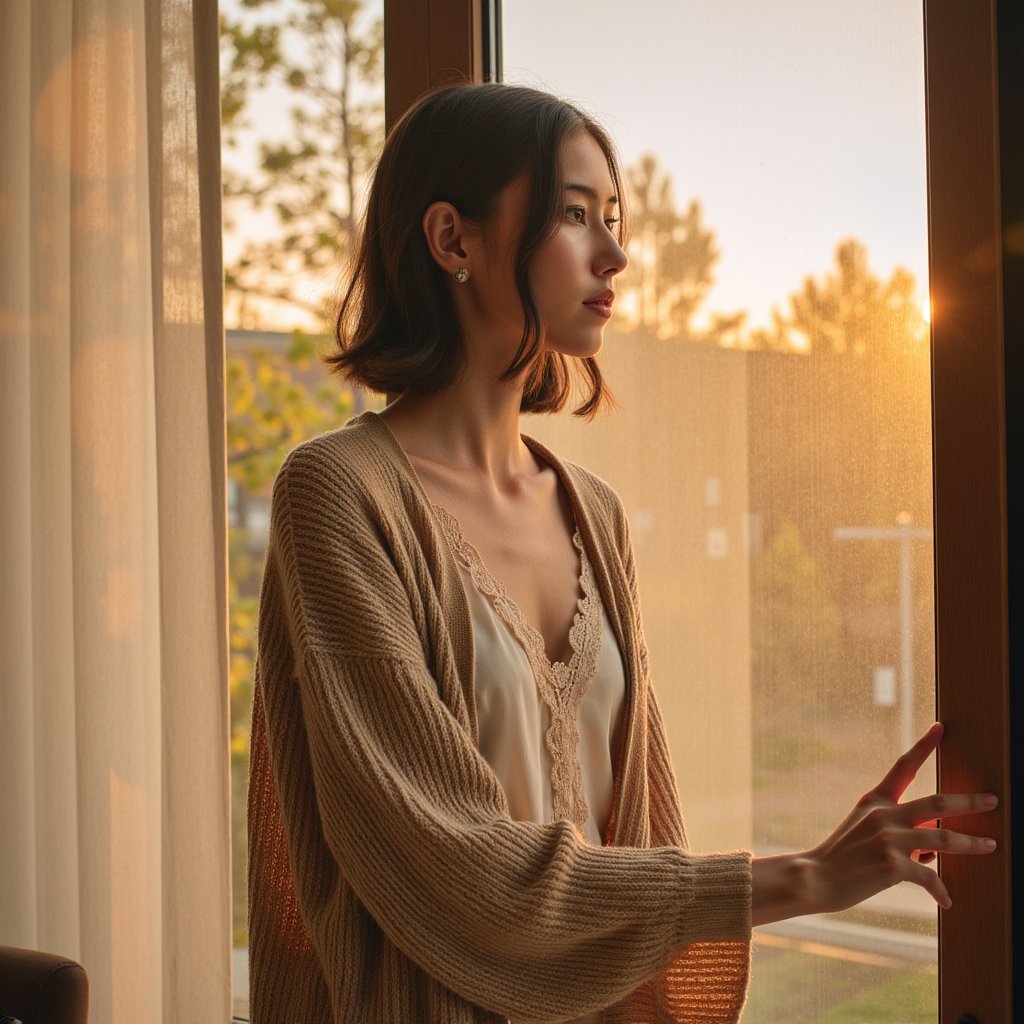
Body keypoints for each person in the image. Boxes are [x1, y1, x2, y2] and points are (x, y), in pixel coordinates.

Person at [246, 82, 998, 1024]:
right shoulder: (340, 495)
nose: (618, 252)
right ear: (452, 240)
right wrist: (800, 876)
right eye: (573, 214)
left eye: (614, 215)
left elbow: (641, 829)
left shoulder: (592, 513)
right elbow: (455, 866)